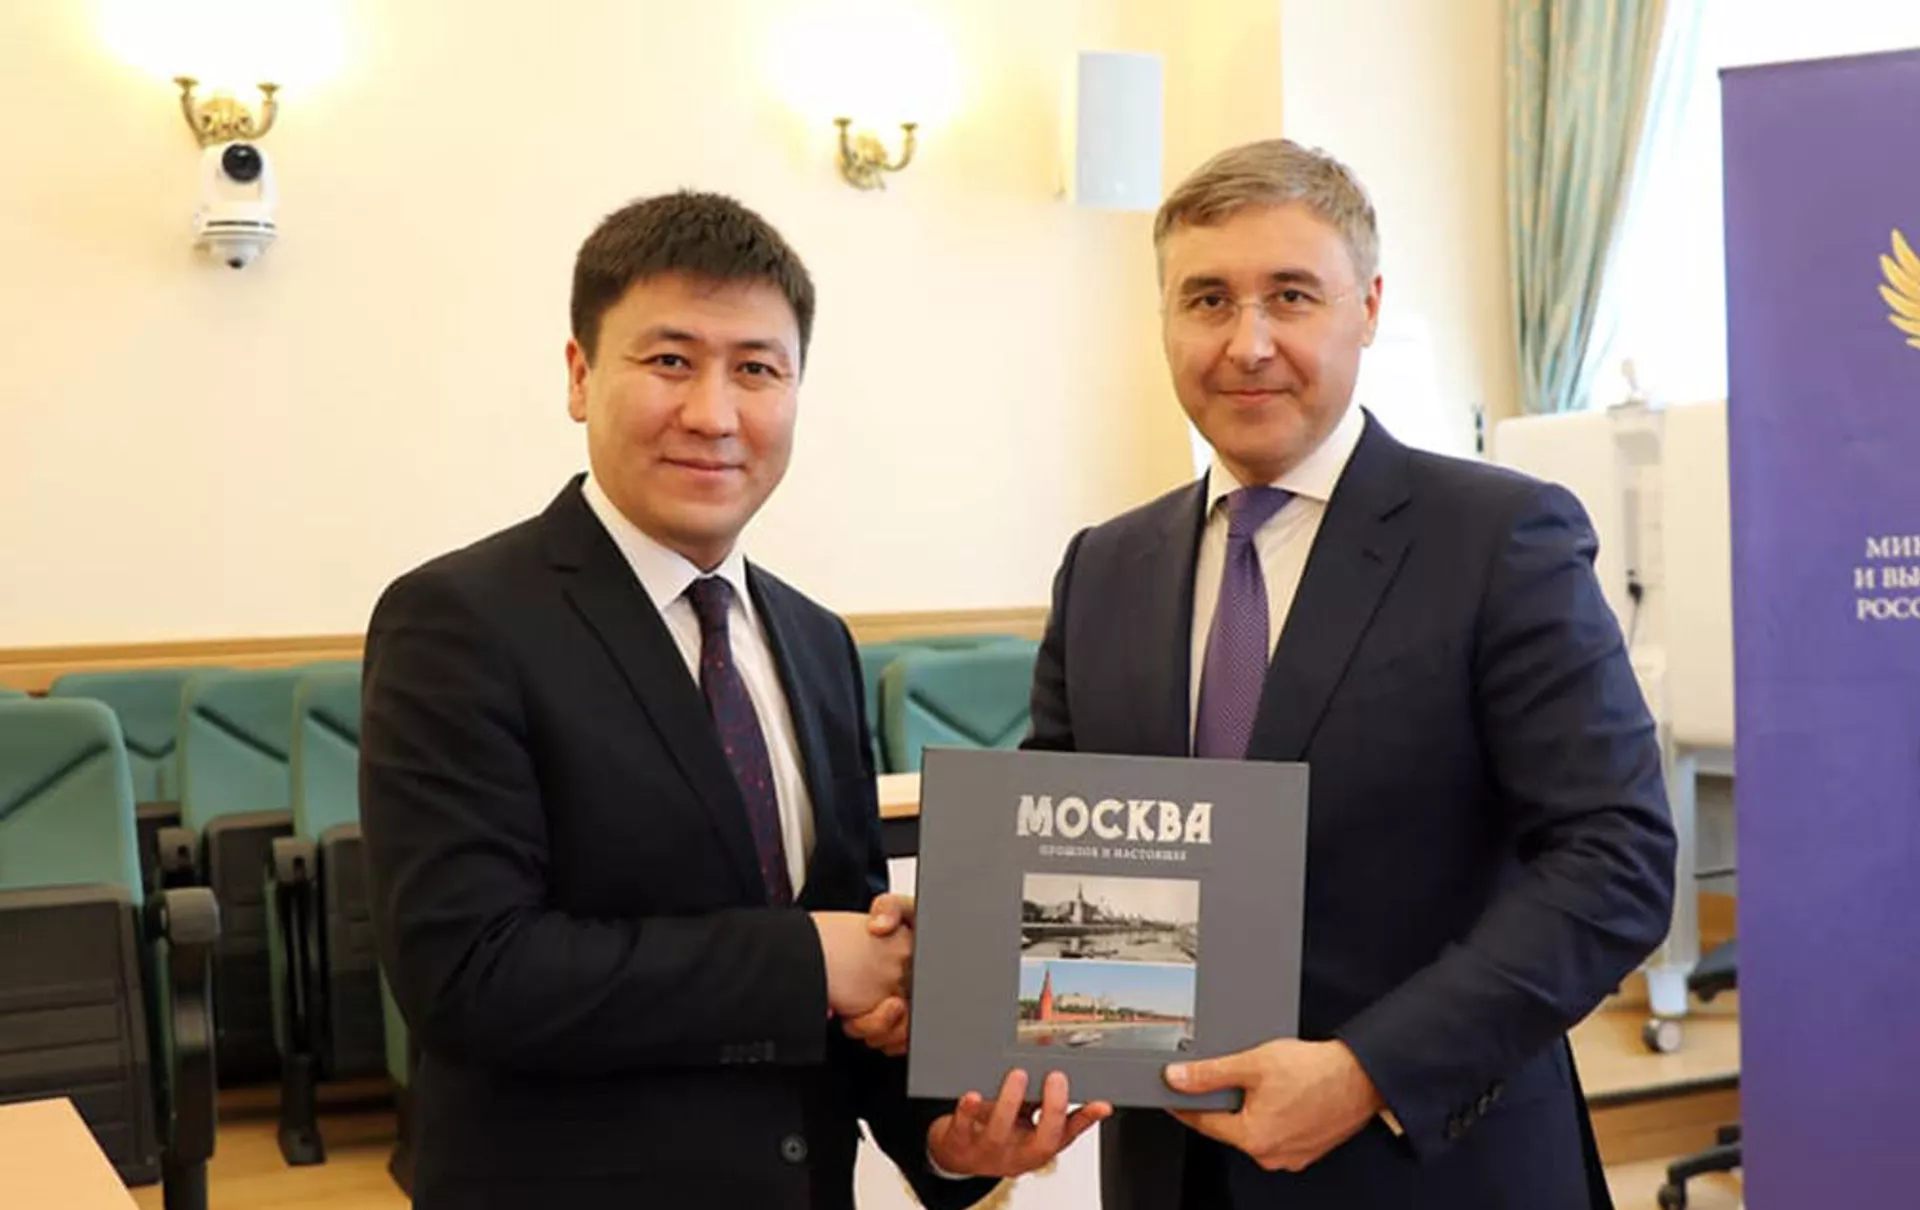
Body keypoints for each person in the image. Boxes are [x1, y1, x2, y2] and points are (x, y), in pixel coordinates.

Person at [360, 190, 1104, 1210]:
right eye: (671, 360)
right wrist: (809, 962)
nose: (713, 414)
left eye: (756, 369)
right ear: (579, 375)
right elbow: (470, 973)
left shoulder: (816, 640)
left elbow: (850, 956)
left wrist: (941, 1136)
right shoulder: (458, 620)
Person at [1023, 139, 1677, 1210]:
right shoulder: (1104, 567)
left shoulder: (1500, 538)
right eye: (1207, 299)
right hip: (1172, 1174)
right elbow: (1055, 848)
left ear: (1366, 307)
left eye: (1291, 295)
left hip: (1432, 1169)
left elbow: (1619, 859)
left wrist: (1369, 1071)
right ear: (1164, 321)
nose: (1248, 343)